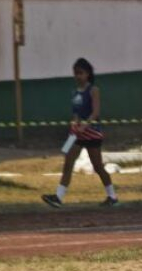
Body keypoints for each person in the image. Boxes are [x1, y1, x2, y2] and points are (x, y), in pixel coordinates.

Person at [42, 57, 118, 208]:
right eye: (75, 73)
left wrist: (85, 125)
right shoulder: (74, 92)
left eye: (81, 73)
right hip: (77, 134)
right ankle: (58, 197)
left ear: (88, 74)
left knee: (98, 167)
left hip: (92, 133)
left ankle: (112, 196)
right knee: (68, 162)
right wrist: (74, 124)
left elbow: (95, 112)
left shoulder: (94, 90)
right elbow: (75, 113)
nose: (78, 76)